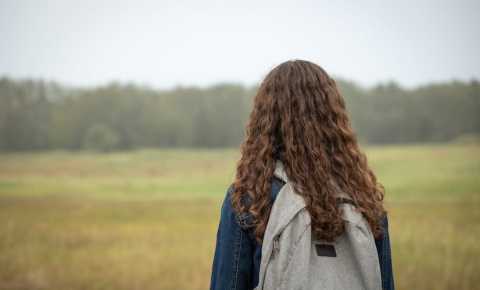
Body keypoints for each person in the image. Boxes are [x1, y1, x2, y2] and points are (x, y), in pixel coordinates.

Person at [209, 59, 394, 290]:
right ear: (333, 119)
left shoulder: (250, 198)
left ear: (266, 121)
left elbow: (227, 284)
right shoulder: (364, 199)